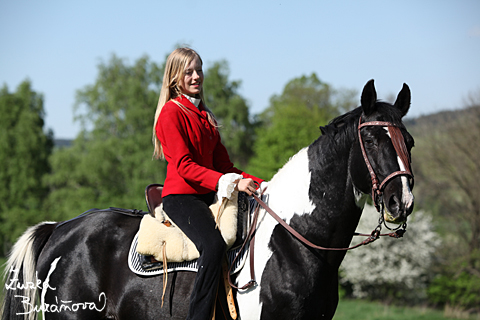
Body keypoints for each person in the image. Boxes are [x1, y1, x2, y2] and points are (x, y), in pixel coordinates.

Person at [152, 47, 264, 320]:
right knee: (213, 245)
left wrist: (262, 184)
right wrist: (228, 182)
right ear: (175, 77)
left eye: (199, 70)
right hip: (182, 197)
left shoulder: (206, 116)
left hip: (209, 194)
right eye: (188, 71)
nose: (195, 76)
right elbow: (185, 166)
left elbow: (225, 167)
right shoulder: (171, 113)